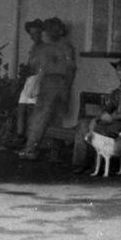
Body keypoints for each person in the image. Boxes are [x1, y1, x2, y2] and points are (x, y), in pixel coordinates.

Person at [19, 17, 76, 160]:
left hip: (54, 82)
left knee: (42, 115)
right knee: (51, 116)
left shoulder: (60, 47)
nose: (46, 33)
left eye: (48, 30)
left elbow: (68, 68)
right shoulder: (55, 46)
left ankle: (31, 149)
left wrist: (66, 88)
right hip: (52, 82)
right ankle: (47, 150)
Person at [15, 19, 45, 140]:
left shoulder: (44, 48)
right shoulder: (34, 47)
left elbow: (43, 68)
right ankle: (20, 136)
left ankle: (31, 139)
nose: (34, 37)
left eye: (36, 33)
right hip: (29, 80)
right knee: (22, 108)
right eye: (31, 34)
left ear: (41, 33)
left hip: (38, 80)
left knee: (33, 110)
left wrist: (37, 86)